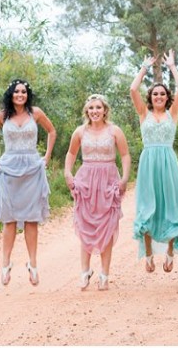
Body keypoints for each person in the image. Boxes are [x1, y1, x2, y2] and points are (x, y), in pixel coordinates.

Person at [0, 79, 56, 286]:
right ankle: (5, 265)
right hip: (9, 168)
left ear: (27, 94)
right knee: (10, 219)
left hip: (32, 168)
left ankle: (33, 264)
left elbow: (52, 131)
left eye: (23, 91)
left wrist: (47, 157)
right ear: (11, 94)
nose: (20, 95)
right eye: (16, 91)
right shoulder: (2, 116)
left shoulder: (36, 113)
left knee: (32, 219)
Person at [130, 50, 178, 273]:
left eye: (162, 94)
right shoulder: (143, 113)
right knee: (147, 207)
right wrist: (144, 68)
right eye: (155, 94)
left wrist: (172, 66)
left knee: (170, 207)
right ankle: (148, 255)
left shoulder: (172, 113)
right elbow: (133, 90)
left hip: (168, 162)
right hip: (148, 163)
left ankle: (170, 253)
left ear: (167, 98)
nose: (158, 97)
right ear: (150, 97)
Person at [64, 94, 131, 290]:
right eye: (91, 108)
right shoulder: (80, 131)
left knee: (106, 227)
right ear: (87, 111)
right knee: (86, 225)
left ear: (105, 110)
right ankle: (85, 272)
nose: (95, 111)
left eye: (98, 107)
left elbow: (125, 155)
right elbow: (71, 153)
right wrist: (67, 172)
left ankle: (104, 275)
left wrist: (124, 178)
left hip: (108, 180)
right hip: (86, 180)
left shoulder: (114, 131)